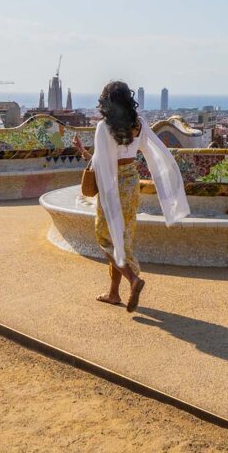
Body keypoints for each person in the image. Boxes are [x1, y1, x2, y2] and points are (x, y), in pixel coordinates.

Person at [74, 81, 189, 312]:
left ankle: (132, 279)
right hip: (130, 182)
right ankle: (114, 294)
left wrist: (83, 153)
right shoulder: (139, 125)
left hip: (112, 184)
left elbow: (101, 165)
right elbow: (154, 153)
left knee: (105, 237)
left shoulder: (104, 128)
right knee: (122, 237)